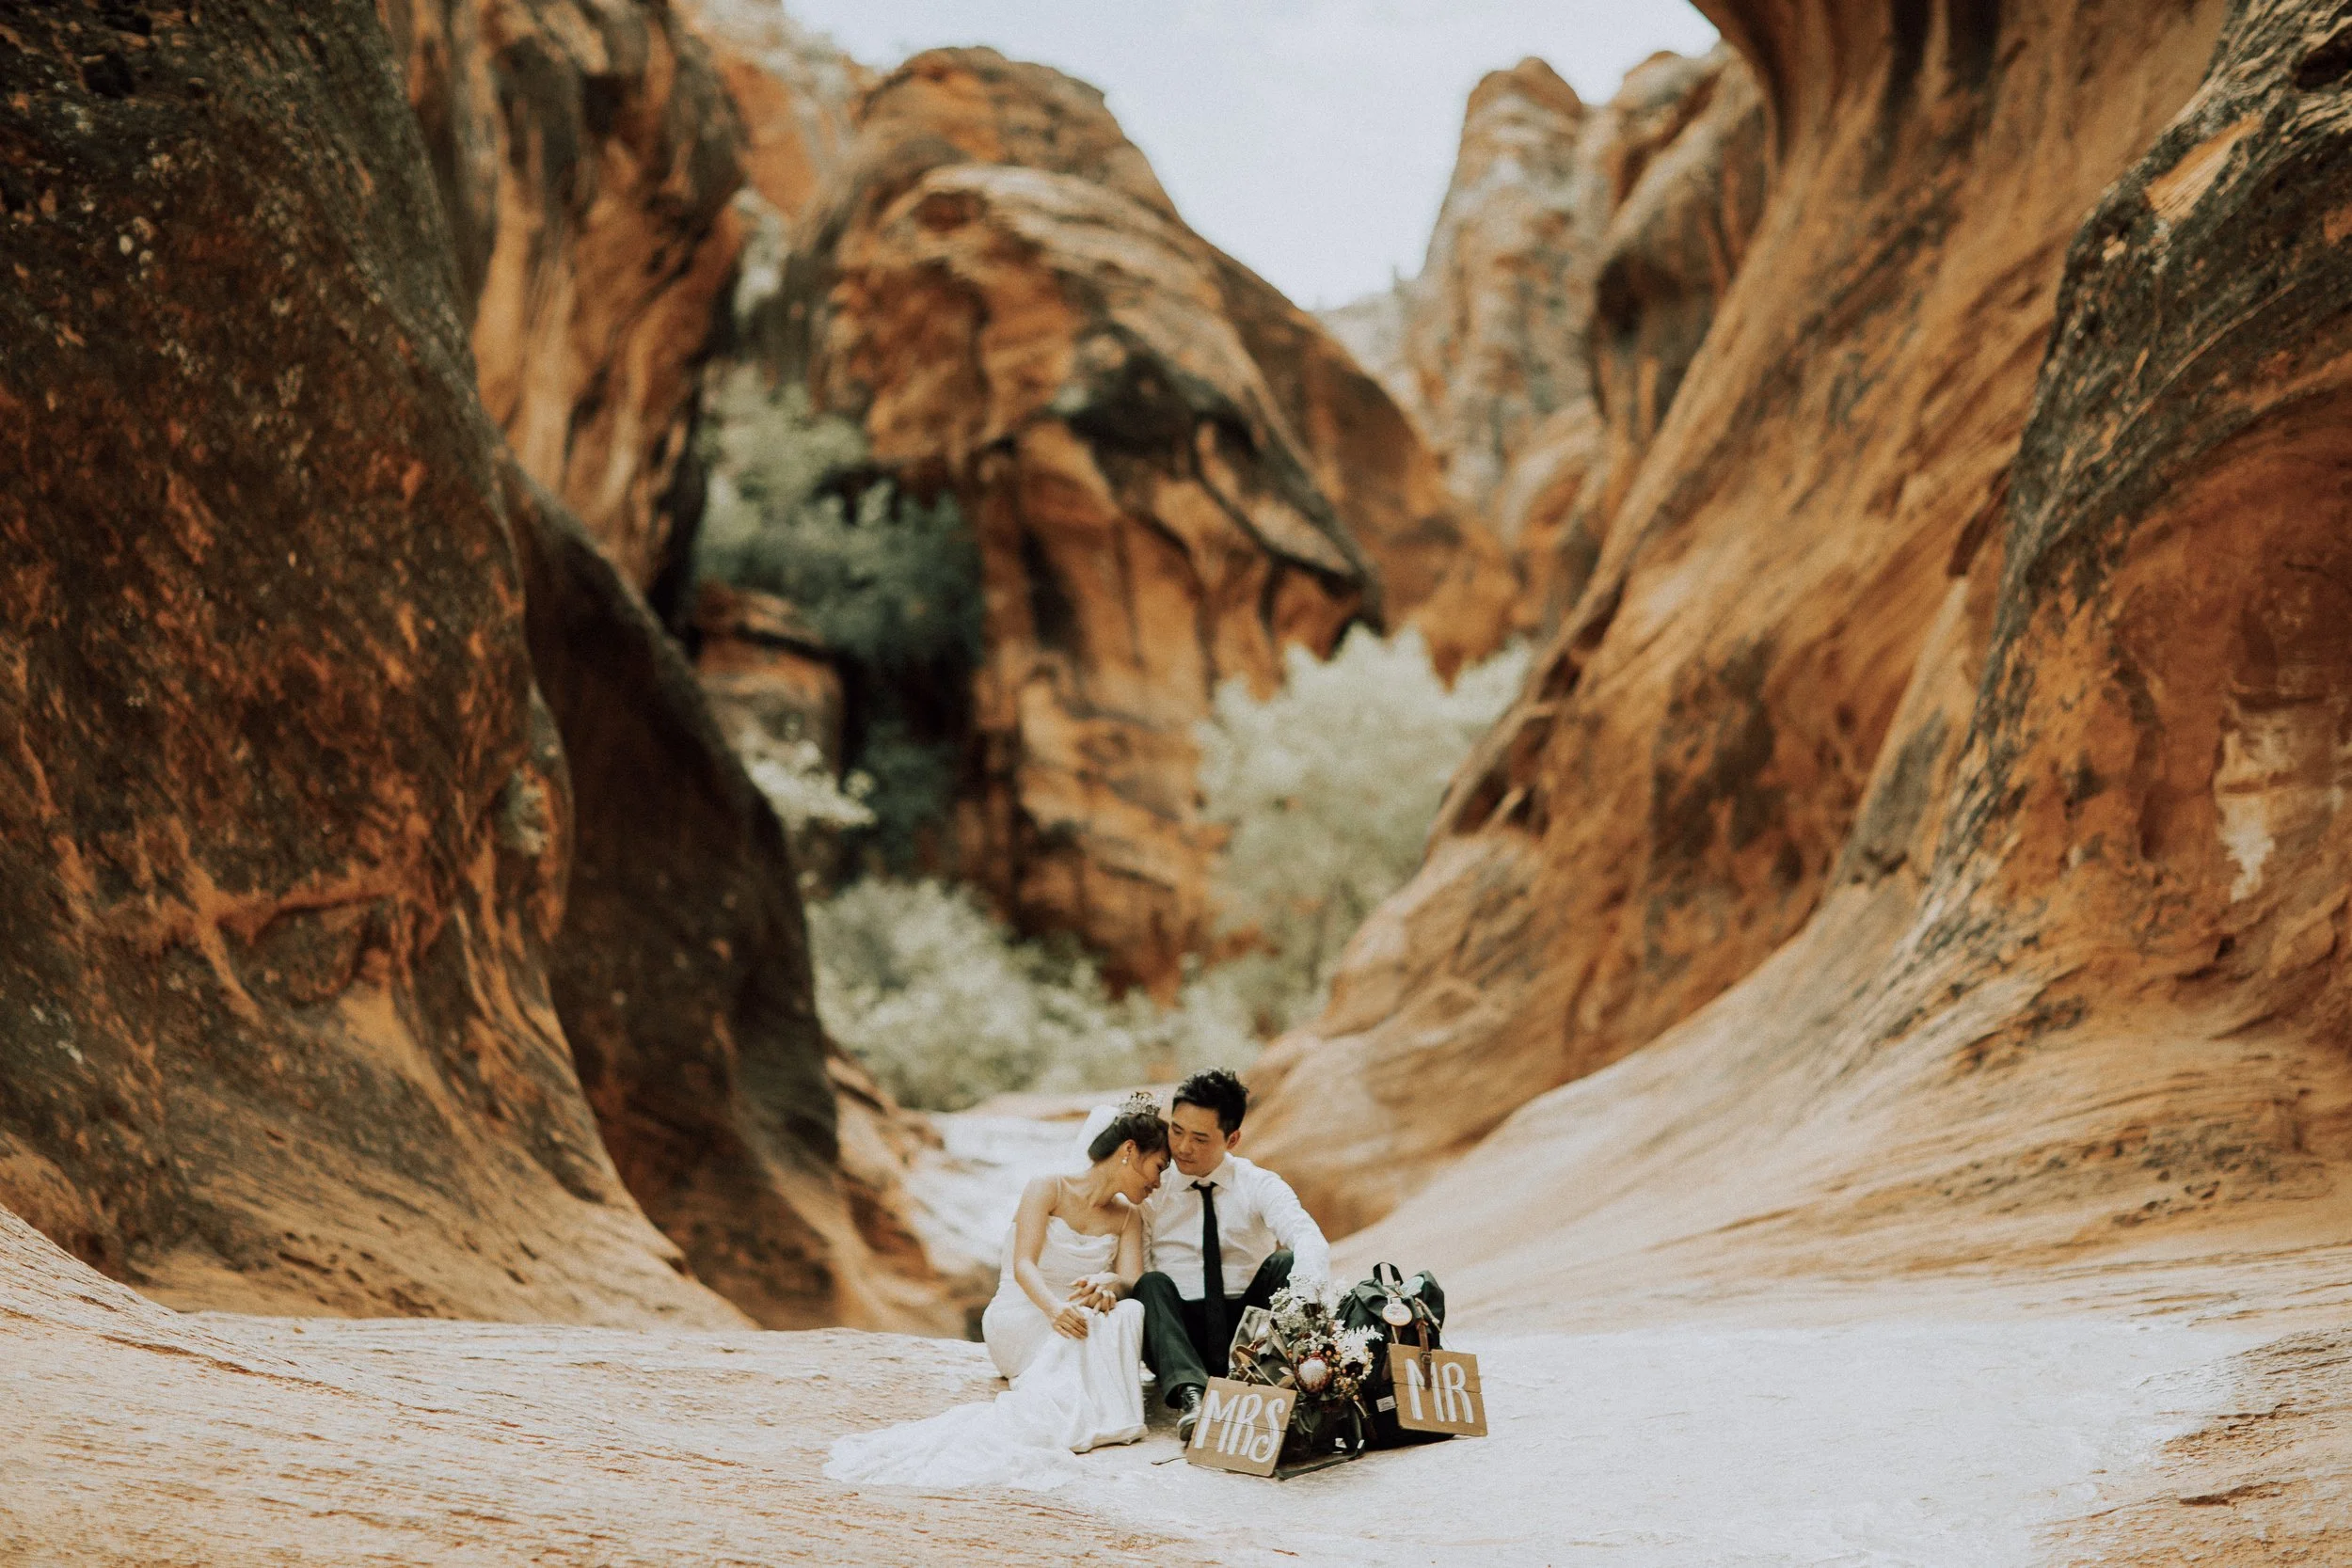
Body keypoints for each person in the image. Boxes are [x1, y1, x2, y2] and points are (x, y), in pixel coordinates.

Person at [823, 1095, 1169, 1490]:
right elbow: (1023, 1264)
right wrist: (1054, 1309)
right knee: (1085, 1325)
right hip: (1026, 1312)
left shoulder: (1129, 1217)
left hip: (1075, 1318)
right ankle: (1073, 1409)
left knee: (1127, 1313)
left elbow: (1130, 1281)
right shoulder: (1048, 1188)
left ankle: (1102, 1413)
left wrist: (1109, 1284)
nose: (1157, 1182)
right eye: (1158, 1167)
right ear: (1129, 1151)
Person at [1133, 1068, 1330, 1441]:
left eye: (1200, 1138)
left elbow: (1308, 1238)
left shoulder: (1257, 1183)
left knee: (1286, 1262)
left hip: (1249, 1329)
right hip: (1179, 1334)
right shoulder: (1154, 1187)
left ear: (1233, 1138)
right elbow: (1136, 1262)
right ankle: (1193, 1399)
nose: (1182, 1147)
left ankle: (1272, 1381)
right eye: (1176, 1130)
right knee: (1150, 1284)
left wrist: (1308, 1314)